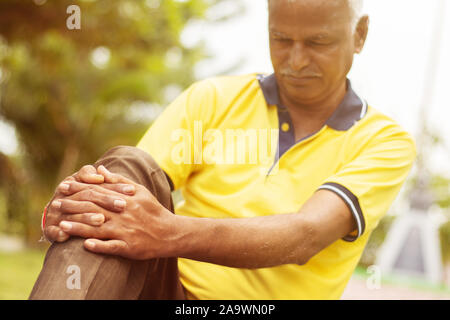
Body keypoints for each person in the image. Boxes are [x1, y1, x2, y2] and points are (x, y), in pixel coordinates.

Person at [29, 0, 416, 300]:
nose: (296, 61)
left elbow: (305, 235)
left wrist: (167, 232)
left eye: (318, 42)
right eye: (281, 39)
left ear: (360, 34)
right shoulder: (214, 98)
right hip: (168, 292)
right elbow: (128, 195)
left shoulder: (383, 140)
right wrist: (74, 211)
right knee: (125, 171)